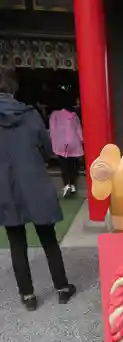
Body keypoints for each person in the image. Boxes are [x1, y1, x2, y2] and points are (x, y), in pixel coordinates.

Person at [0, 69, 76, 311]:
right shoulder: (30, 114)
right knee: (48, 238)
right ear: (12, 89)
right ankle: (62, 288)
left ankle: (28, 296)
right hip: (33, 182)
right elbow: (47, 148)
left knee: (16, 241)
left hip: (5, 186)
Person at [49, 90, 84, 198]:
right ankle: (73, 184)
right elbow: (78, 129)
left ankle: (66, 185)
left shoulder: (54, 114)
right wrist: (82, 140)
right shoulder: (74, 115)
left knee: (63, 165)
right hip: (73, 141)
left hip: (60, 142)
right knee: (73, 164)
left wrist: (52, 142)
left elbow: (52, 130)